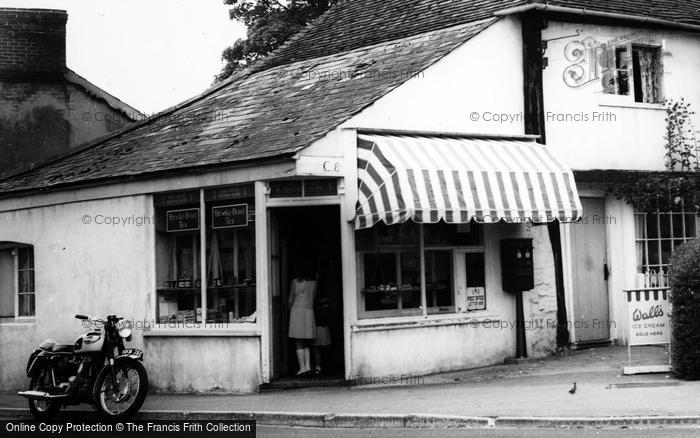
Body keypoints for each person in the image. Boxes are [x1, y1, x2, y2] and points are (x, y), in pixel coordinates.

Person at [288, 264, 317, 376]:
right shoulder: (314, 283)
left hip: (297, 311)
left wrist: (287, 308)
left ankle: (302, 368)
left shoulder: (295, 282)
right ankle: (308, 366)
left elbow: (291, 298)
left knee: (298, 341)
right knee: (306, 340)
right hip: (309, 311)